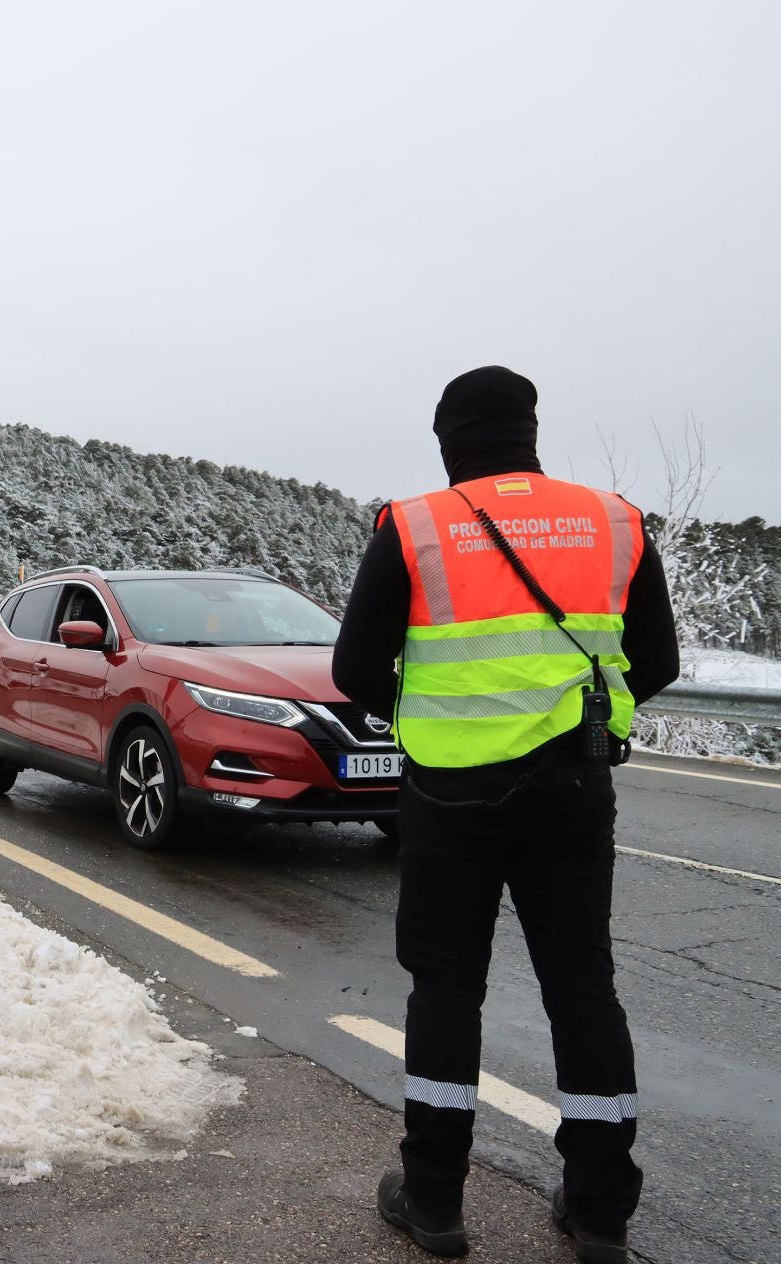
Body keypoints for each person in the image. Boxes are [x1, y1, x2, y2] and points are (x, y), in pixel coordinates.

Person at [333, 366, 679, 1262]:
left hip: (449, 796)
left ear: (449, 440)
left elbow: (354, 671)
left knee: (447, 989)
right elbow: (657, 659)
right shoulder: (613, 521)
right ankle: (601, 1210)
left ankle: (436, 1200)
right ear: (529, 432)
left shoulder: (414, 524)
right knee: (582, 989)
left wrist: (421, 713)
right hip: (573, 787)